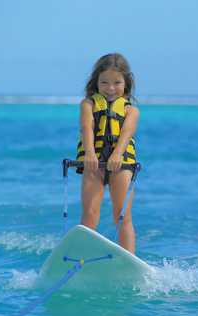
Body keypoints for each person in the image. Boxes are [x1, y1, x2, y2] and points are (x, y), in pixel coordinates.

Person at [75, 53, 140, 254]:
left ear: (126, 84)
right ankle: (83, 257)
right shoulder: (88, 104)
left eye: (116, 83)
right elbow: (87, 127)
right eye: (104, 82)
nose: (111, 88)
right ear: (96, 83)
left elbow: (127, 134)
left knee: (122, 215)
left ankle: (128, 259)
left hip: (121, 165)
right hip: (93, 163)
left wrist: (117, 155)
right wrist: (90, 154)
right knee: (90, 213)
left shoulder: (132, 111)